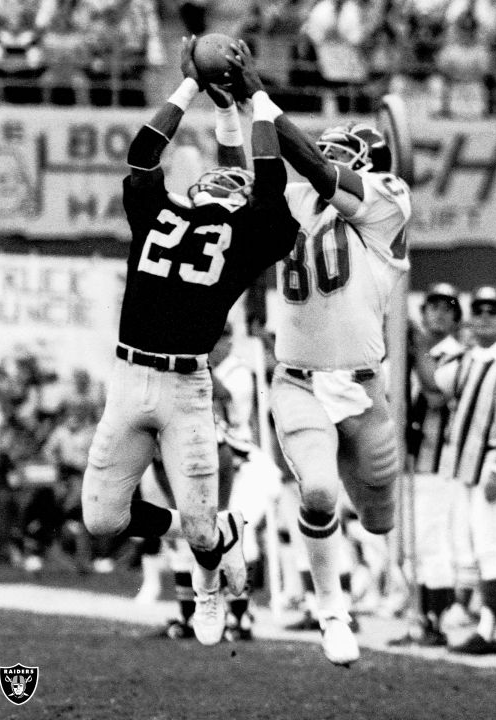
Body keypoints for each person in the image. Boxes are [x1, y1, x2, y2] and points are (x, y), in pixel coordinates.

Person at [81, 39, 300, 646]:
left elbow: (270, 179)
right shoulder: (163, 211)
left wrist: (245, 98)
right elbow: (143, 154)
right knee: (102, 518)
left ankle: (210, 592)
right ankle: (211, 533)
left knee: (203, 534)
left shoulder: (247, 232)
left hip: (184, 387)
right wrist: (189, 89)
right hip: (128, 380)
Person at [224, 39, 412, 666]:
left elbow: (317, 168)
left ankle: (381, 585)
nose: (322, 157)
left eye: (338, 152)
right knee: (318, 495)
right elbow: (255, 169)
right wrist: (232, 105)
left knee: (380, 519)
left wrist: (259, 95)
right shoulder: (293, 199)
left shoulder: (386, 199)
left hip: (363, 390)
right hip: (298, 380)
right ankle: (333, 611)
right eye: (322, 146)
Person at [436, 286, 496, 655]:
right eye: (480, 311)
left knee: (492, 547)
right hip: (474, 464)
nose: (486, 317)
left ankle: (488, 629)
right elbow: (435, 383)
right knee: (487, 547)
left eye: (493, 311)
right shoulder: (473, 358)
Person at [391, 282, 472, 647]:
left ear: (456, 318)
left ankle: (435, 621)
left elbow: (436, 394)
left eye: (447, 308)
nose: (438, 314)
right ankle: (418, 618)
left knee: (433, 542)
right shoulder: (411, 352)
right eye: (432, 307)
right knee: (412, 546)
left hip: (439, 462)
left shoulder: (458, 355)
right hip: (410, 460)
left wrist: (418, 349)